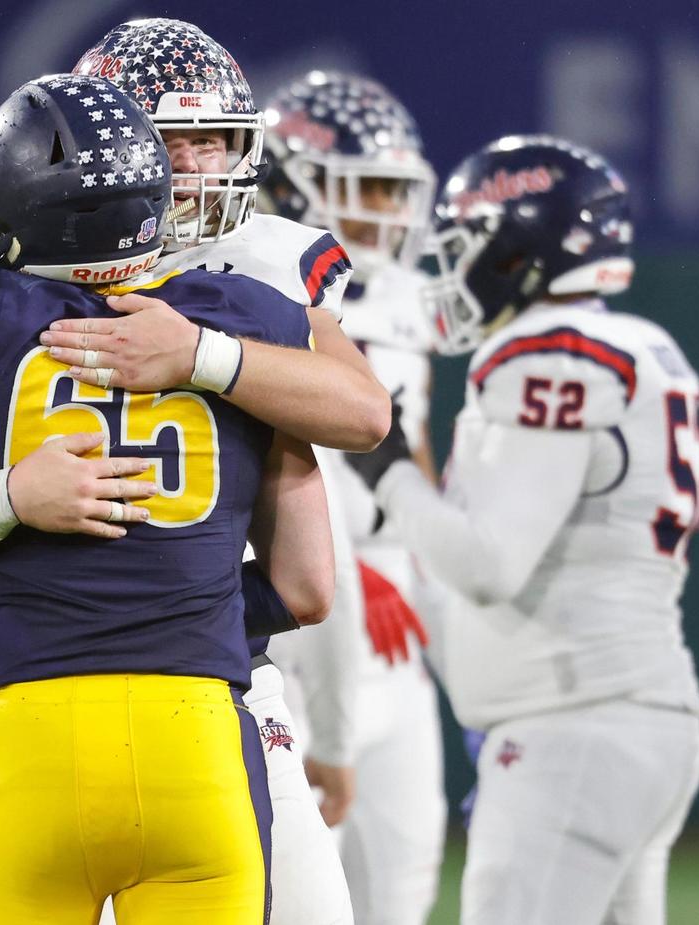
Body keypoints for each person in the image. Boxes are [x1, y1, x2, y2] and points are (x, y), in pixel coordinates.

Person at [0, 19, 370, 925]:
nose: (194, 163)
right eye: (171, 136)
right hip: (42, 655)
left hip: (218, 669)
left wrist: (202, 355)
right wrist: (9, 494)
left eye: (215, 138)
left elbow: (359, 415)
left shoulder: (262, 266)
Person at [349, 135, 699, 925]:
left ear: (517, 249)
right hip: (637, 718)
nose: (454, 266)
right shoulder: (645, 347)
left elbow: (486, 565)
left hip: (575, 729)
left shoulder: (550, 353)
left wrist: (388, 466)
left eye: (468, 243)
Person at [258, 70, 448, 925]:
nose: (389, 211)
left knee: (399, 888)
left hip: (391, 605)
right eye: (368, 186)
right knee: (291, 893)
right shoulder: (263, 282)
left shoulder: (410, 301)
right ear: (300, 183)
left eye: (397, 189)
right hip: (300, 598)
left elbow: (414, 455)